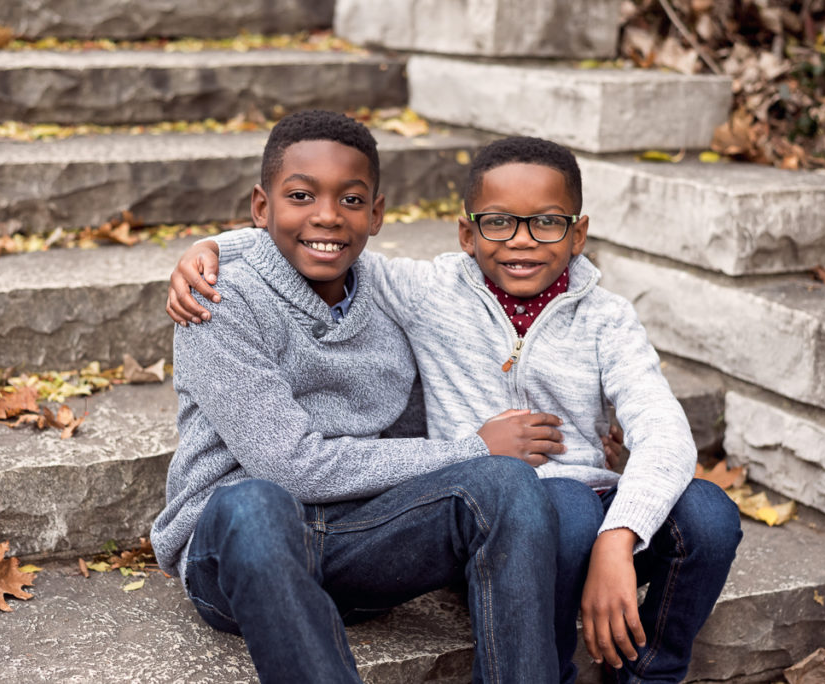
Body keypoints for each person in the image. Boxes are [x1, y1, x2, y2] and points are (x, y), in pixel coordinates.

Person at [169, 135, 744, 683]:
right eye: (499, 222)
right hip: (247, 542)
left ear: (577, 233)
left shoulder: (601, 316)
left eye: (546, 222)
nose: (522, 240)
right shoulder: (220, 301)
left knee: (525, 484)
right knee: (255, 502)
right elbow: (318, 239)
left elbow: (663, 428)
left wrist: (620, 532)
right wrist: (213, 247)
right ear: (468, 234)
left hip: (372, 531)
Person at [150, 111, 574, 684]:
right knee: (255, 502)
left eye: (350, 200)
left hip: (361, 541)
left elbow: (502, 297)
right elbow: (291, 468)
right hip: (239, 554)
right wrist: (471, 449)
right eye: (301, 195)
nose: (326, 215)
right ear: (260, 207)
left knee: (509, 485)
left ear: (376, 214)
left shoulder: (390, 292)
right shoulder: (216, 298)